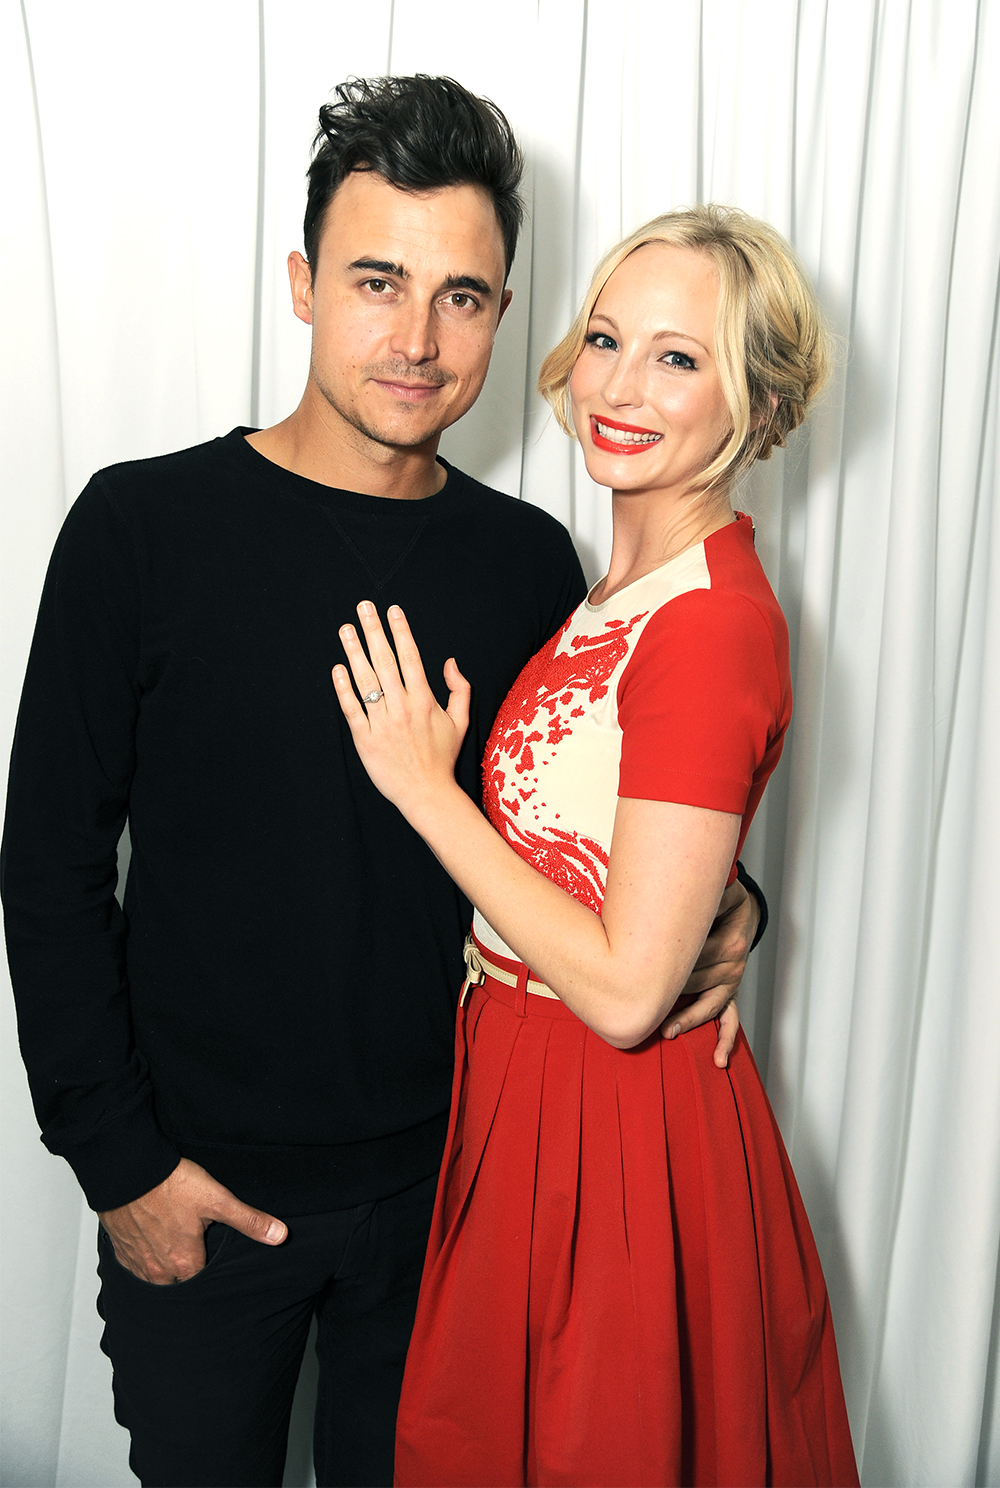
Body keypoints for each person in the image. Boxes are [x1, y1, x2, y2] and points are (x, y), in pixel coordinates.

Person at [0, 80, 766, 1488]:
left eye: (463, 296)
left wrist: (729, 904)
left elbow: (585, 801)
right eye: (377, 281)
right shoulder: (140, 529)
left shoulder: (528, 561)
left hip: (453, 1193)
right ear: (301, 286)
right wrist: (122, 1171)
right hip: (202, 1195)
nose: (417, 339)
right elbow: (44, 870)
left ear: (504, 315)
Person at [332, 205, 860, 1487]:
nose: (618, 387)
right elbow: (631, 855)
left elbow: (628, 994)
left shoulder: (712, 621)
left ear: (759, 402)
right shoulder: (619, 591)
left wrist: (425, 785)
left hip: (613, 1121)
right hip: (523, 1083)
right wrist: (733, 906)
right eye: (608, 339)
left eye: (678, 358)